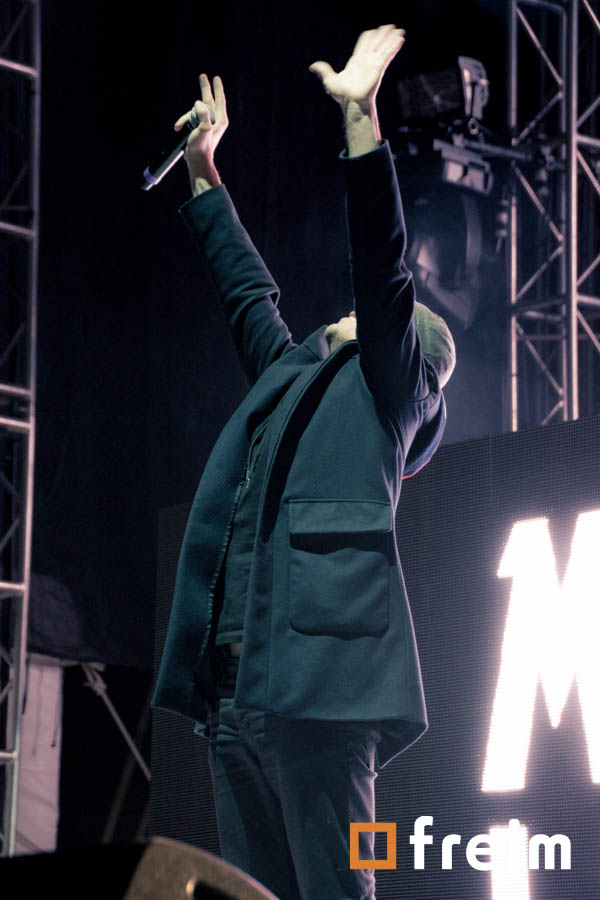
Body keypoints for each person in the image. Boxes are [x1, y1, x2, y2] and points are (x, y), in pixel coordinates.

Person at [152, 24, 455, 900]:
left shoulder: (391, 390)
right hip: (239, 689)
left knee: (339, 891)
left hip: (327, 699)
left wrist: (361, 117)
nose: (348, 311)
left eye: (379, 317)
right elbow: (249, 296)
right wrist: (204, 170)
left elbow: (384, 271)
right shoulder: (296, 379)